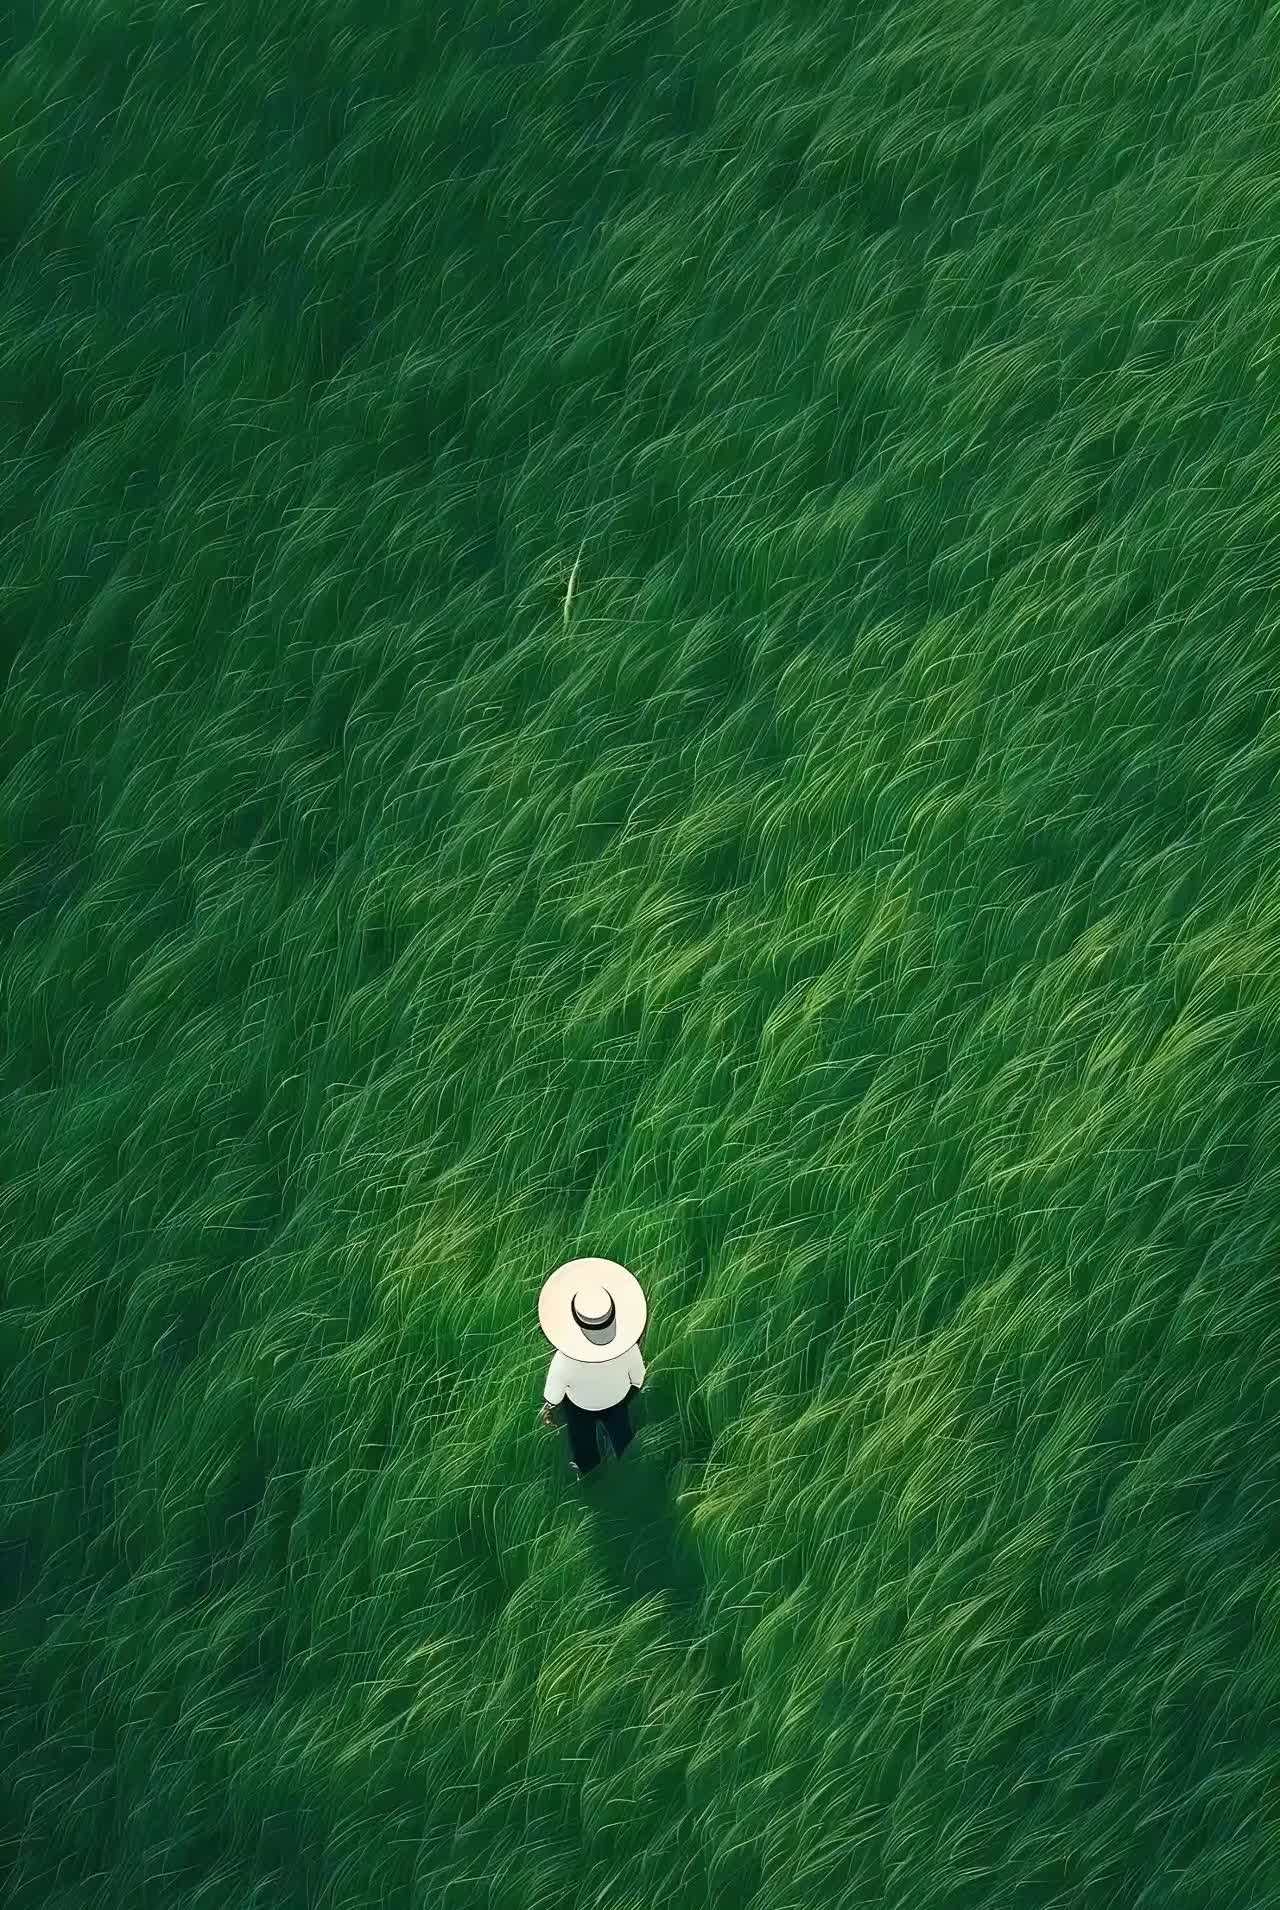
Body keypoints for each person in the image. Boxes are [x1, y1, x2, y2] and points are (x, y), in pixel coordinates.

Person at [537, 1256, 647, 1477]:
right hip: (617, 1400)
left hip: (580, 1406)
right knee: (620, 1430)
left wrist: (549, 1407)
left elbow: (554, 1393)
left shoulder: (564, 1359)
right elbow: (638, 1378)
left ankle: (587, 1469)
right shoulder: (627, 1348)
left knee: (582, 1435)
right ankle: (628, 1460)